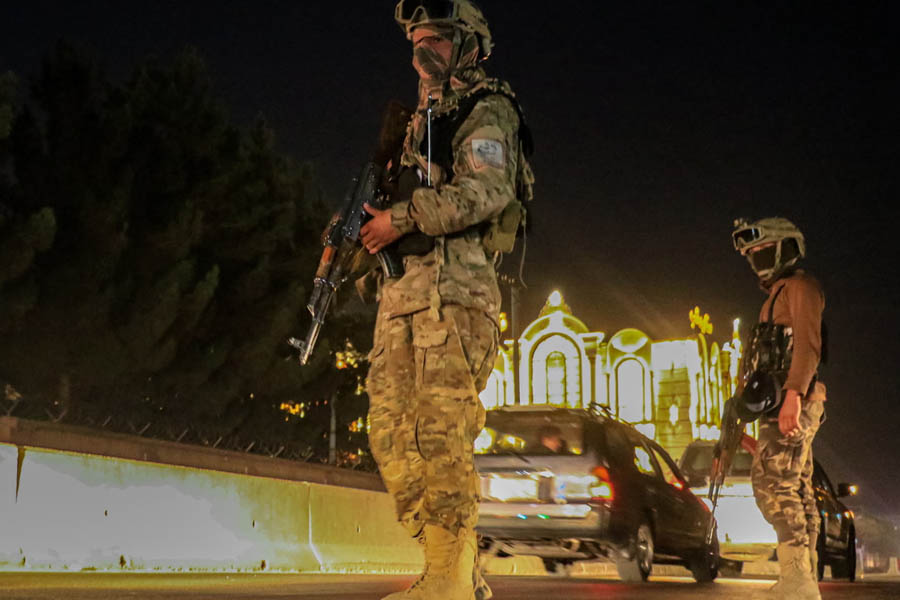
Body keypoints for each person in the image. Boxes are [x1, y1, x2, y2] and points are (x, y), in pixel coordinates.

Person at [360, 2, 533, 599]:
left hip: (454, 296)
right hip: (402, 298)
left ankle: (448, 578)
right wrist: (359, 247)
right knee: (388, 432)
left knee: (441, 433)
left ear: (470, 47)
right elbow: (389, 216)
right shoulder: (412, 127)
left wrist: (400, 217)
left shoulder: (488, 109)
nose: (422, 49)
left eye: (437, 38)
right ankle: (453, 568)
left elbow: (485, 190)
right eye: (416, 38)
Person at [732, 217, 826, 600]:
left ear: (786, 247)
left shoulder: (800, 287)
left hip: (794, 395)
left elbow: (807, 345)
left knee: (773, 484)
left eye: (763, 250)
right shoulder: (779, 293)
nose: (756, 258)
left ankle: (798, 578)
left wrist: (793, 395)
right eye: (751, 254)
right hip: (783, 398)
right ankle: (803, 576)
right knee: (796, 484)